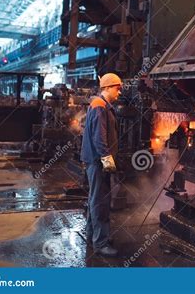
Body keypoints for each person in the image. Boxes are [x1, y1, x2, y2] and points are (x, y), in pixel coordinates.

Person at [81, 73, 122, 257]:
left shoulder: (103, 105)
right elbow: (100, 139)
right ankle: (101, 243)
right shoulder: (99, 106)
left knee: (94, 200)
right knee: (100, 202)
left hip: (96, 161)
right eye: (117, 88)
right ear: (107, 88)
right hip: (98, 162)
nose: (119, 92)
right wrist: (108, 162)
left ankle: (93, 236)